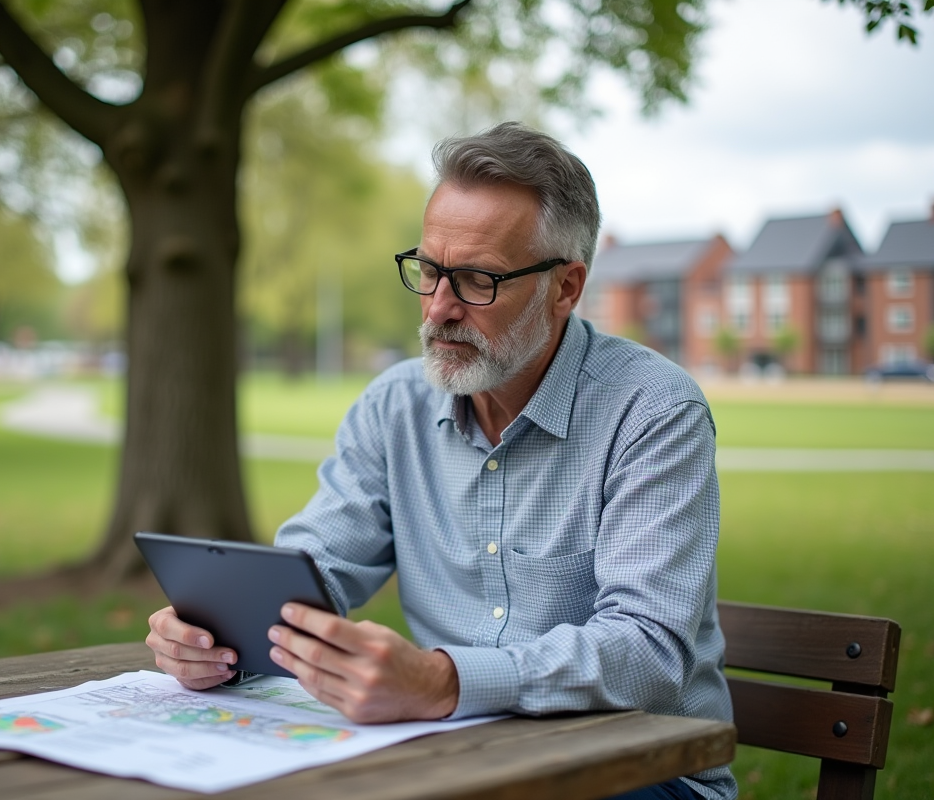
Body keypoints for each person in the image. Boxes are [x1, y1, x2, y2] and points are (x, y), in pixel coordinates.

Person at [146, 122, 735, 800]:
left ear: (566, 287)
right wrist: (217, 635)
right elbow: (315, 570)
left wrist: (441, 682)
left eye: (478, 280)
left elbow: (649, 654)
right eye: (429, 271)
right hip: (461, 758)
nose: (440, 308)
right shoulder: (393, 405)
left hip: (641, 775)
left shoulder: (653, 412)